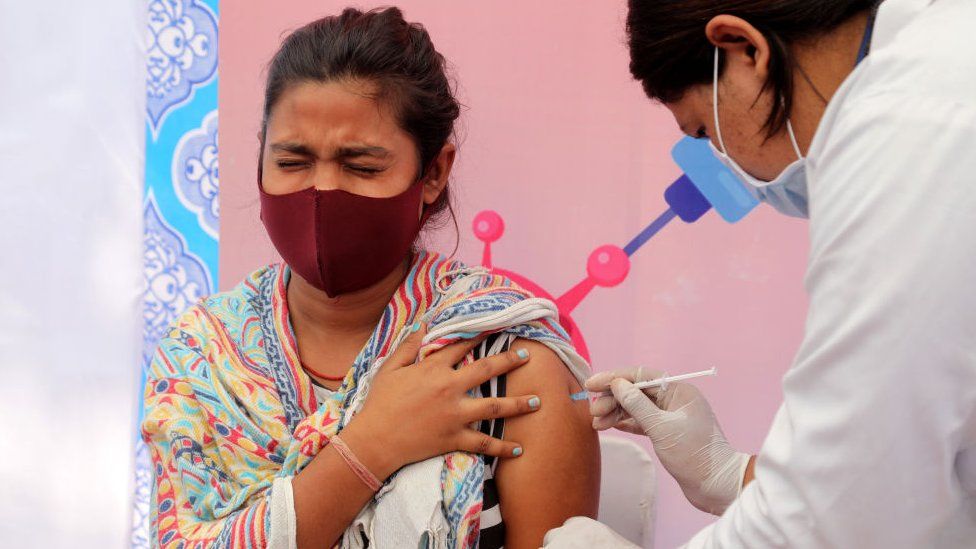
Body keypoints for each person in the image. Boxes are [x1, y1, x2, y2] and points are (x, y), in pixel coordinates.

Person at [142, 8, 599, 549]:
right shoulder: (200, 357)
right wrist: (370, 447)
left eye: (361, 166)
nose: (322, 192)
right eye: (292, 161)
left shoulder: (506, 360)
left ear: (433, 173)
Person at [545, 0, 976, 546]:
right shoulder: (940, 70)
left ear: (745, 48)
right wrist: (730, 473)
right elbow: (905, 476)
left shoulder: (911, 132)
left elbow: (846, 510)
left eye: (703, 131)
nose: (725, 161)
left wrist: (747, 482)